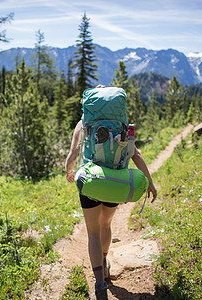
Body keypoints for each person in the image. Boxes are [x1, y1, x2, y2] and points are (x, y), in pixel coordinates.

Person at [65, 97, 157, 299]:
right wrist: (149, 182)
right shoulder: (121, 125)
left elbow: (73, 153)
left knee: (92, 233)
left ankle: (99, 283)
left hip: (91, 183)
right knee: (105, 226)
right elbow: (136, 155)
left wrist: (68, 171)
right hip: (115, 184)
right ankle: (105, 264)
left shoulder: (84, 123)